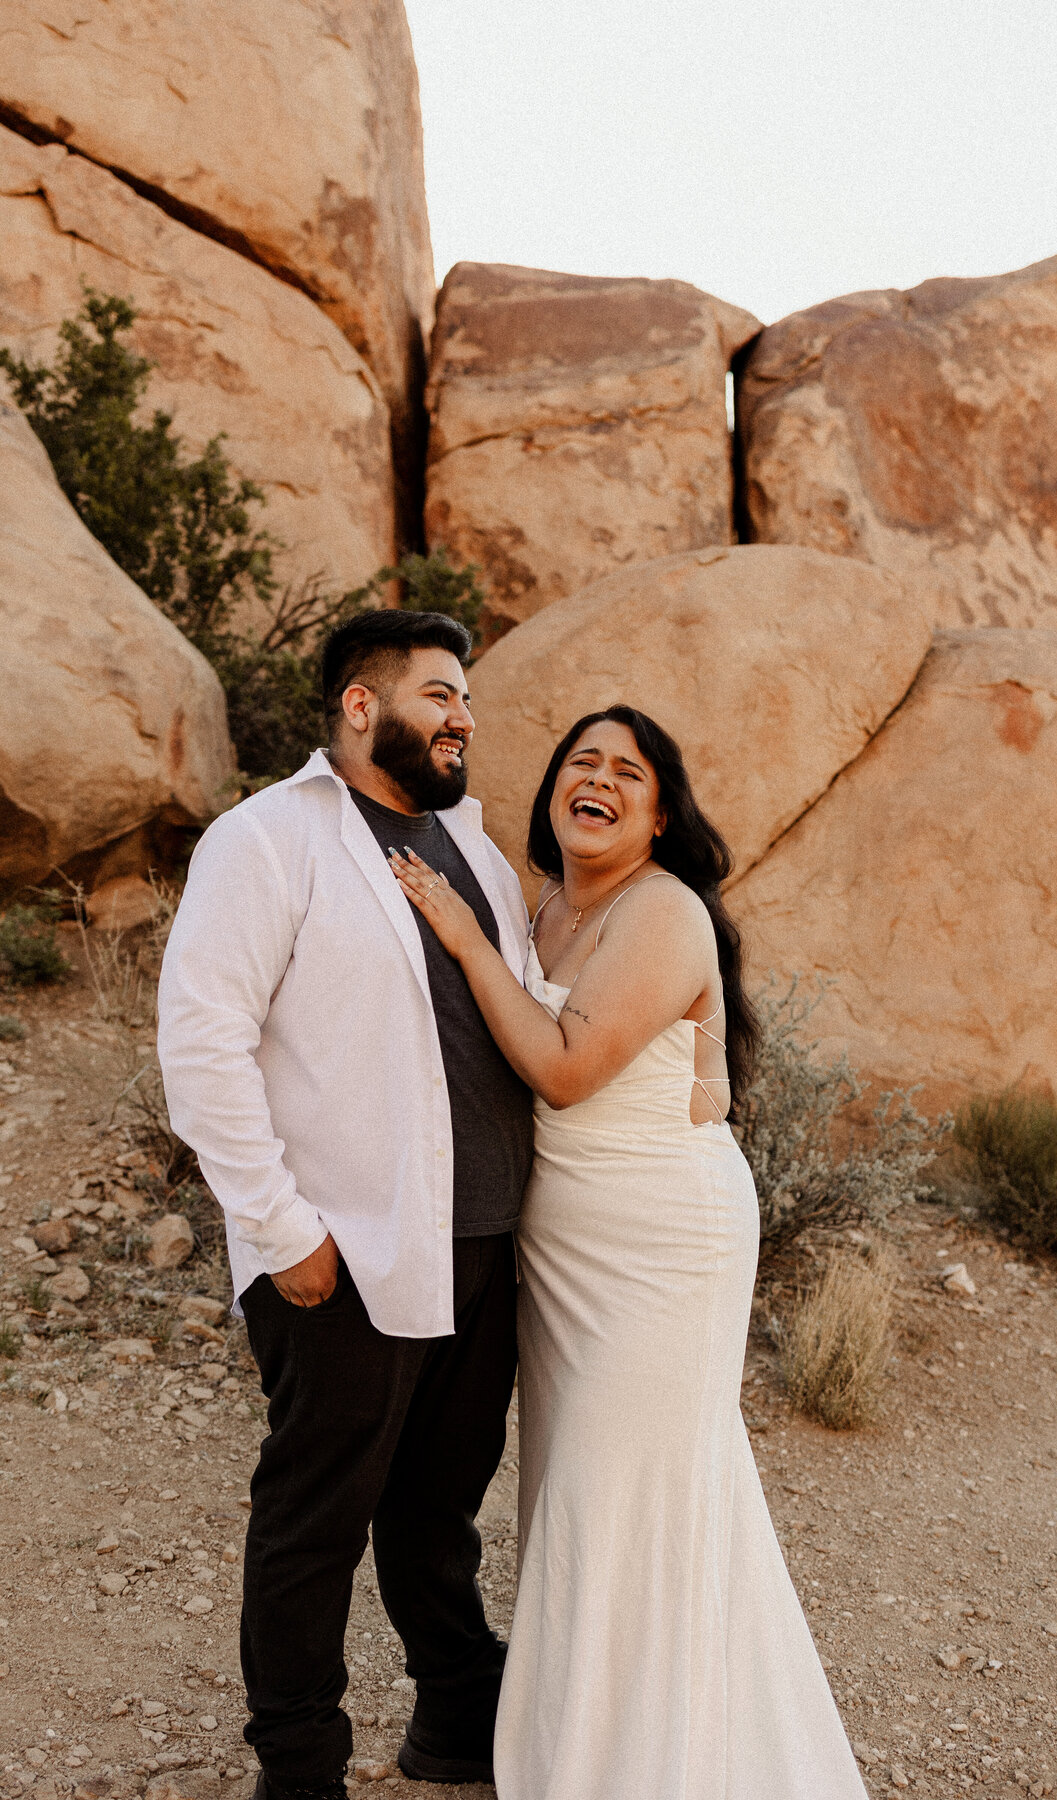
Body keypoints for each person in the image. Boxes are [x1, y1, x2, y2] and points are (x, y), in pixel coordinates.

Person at [390, 703, 868, 1799]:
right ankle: (593, 1745)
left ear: (658, 819)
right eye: (581, 762)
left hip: (660, 1245)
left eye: (628, 771)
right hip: (564, 1255)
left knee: (622, 1490)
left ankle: (641, 1766)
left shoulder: (661, 912)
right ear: (554, 791)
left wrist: (463, 935)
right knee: (577, 1492)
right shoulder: (549, 908)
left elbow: (561, 1067)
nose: (598, 778)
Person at [157, 609, 533, 1797]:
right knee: (317, 1515)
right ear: (361, 705)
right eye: (438, 692)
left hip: (481, 1243)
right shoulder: (270, 839)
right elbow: (203, 1044)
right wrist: (284, 1231)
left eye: (465, 696)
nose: (461, 716)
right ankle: (302, 1764)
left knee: (439, 1510)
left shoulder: (474, 847)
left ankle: (458, 1716)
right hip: (347, 1248)